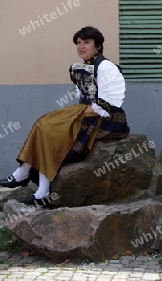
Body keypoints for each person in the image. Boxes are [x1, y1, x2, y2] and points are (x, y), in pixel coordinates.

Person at [0, 26, 130, 206]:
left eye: (86, 42)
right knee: (44, 124)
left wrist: (72, 115)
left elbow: (107, 106)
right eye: (78, 43)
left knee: (51, 128)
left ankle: (30, 181)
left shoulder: (107, 68)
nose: (81, 47)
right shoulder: (81, 68)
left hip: (106, 120)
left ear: (98, 46)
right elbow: (83, 97)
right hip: (88, 114)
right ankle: (33, 183)